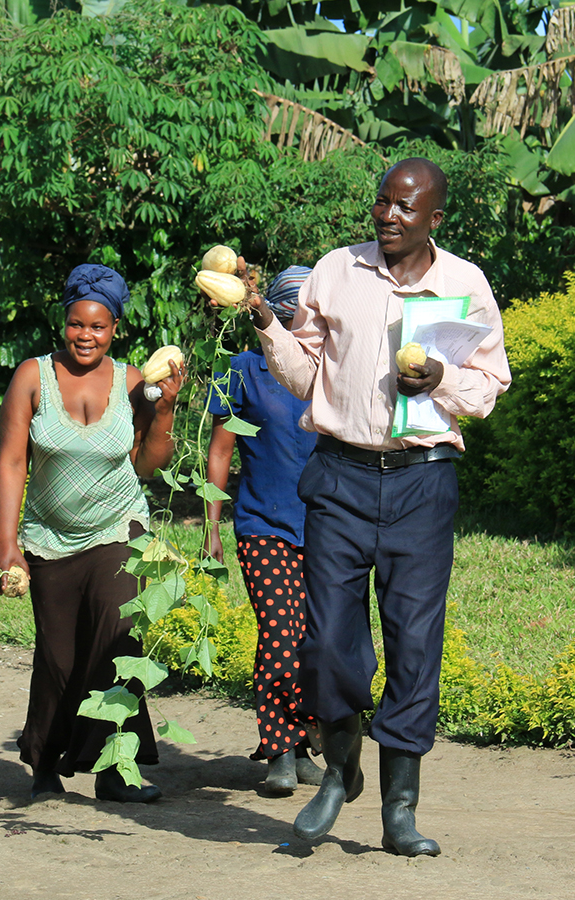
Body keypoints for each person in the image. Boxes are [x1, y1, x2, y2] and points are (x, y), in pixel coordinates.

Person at [232, 158, 511, 856]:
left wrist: (442, 375)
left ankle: (400, 811)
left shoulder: (464, 285)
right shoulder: (335, 271)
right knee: (327, 640)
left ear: (434, 219)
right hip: (339, 477)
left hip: (422, 480)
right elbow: (303, 377)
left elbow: (487, 389)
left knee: (413, 647)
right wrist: (264, 318)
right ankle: (339, 771)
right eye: (381, 203)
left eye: (404, 208)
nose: (387, 216)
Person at [0, 264, 183, 803]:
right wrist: (7, 546)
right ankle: (45, 762)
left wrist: (164, 407)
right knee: (59, 656)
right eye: (77, 325)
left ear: (115, 329)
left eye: (98, 327)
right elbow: (11, 462)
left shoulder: (132, 381)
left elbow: (148, 463)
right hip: (49, 536)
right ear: (64, 323)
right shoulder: (32, 376)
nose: (86, 336)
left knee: (117, 643)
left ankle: (115, 770)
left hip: (118, 528)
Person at [203, 265, 324, 796]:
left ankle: (305, 746)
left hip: (329, 528)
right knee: (280, 634)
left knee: (321, 642)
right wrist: (211, 529)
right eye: (294, 309)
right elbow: (221, 452)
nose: (304, 321)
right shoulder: (243, 371)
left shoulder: (333, 369)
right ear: (273, 311)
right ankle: (277, 749)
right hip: (264, 526)